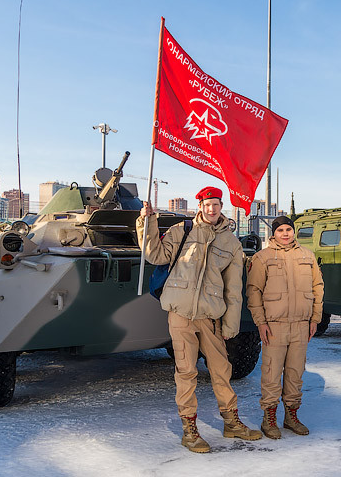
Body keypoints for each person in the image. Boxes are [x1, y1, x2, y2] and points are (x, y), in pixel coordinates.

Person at [136, 186, 261, 453]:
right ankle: (190, 429)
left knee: (221, 371)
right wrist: (147, 222)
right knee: (187, 372)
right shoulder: (182, 232)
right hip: (181, 315)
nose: (212, 209)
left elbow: (233, 289)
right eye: (207, 204)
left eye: (216, 204)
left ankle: (231, 423)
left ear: (221, 207)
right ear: (200, 206)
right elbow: (155, 255)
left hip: (210, 317)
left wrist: (231, 324)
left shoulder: (231, 242)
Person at [246, 215, 324, 439]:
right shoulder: (263, 258)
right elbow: (254, 291)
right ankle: (268, 418)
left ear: (294, 231)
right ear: (274, 233)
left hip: (301, 325)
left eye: (288, 229)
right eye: (280, 230)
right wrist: (260, 322)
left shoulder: (307, 256)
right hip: (274, 326)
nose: (285, 234)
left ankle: (291, 416)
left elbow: (318, 288)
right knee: (271, 373)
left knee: (295, 373)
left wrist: (314, 319)